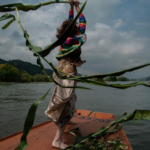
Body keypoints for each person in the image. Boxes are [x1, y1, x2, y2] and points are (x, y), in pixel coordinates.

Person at [45, 0, 87, 149]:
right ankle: (57, 140)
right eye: (75, 28)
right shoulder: (76, 39)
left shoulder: (64, 39)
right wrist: (76, 6)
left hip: (62, 69)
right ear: (73, 30)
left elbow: (73, 20)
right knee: (66, 101)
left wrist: (71, 6)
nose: (77, 28)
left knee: (70, 96)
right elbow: (82, 21)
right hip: (67, 72)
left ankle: (68, 120)